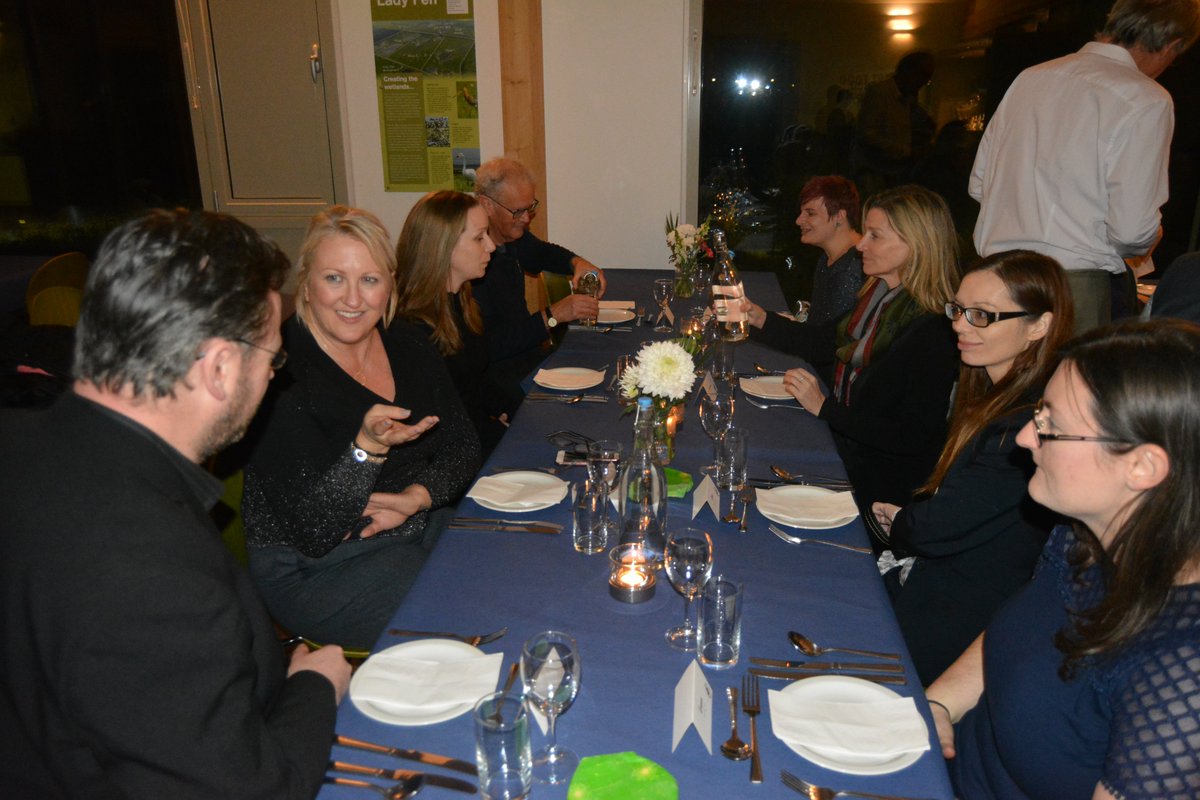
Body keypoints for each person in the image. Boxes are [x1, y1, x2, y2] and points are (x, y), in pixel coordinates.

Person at [0, 209, 350, 798]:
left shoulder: (18, 440)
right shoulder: (154, 576)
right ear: (219, 368)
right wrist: (313, 688)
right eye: (272, 361)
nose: (272, 381)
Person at [927, 319, 1200, 799]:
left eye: (1052, 426)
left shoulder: (1183, 670)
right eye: (1039, 413)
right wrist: (937, 704)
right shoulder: (1083, 537)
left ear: (1142, 467)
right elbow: (1026, 634)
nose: (1025, 439)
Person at [242, 206, 480, 650]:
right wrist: (366, 450)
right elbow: (313, 529)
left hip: (414, 527)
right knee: (462, 610)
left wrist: (416, 497)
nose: (353, 299)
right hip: (316, 568)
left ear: (390, 284)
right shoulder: (278, 369)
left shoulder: (409, 344)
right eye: (334, 278)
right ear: (306, 284)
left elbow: (464, 446)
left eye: (369, 280)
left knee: (517, 568)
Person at [870, 251, 1072, 685]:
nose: (960, 325)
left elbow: (939, 528)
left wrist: (903, 521)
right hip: (948, 584)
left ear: (1039, 325)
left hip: (965, 617)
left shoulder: (1026, 423)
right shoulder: (995, 394)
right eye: (958, 310)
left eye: (981, 315)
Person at [970, 0, 1200, 333]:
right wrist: (1148, 235)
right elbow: (1132, 230)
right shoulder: (1146, 98)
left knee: (999, 385)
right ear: (1172, 44)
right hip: (1069, 287)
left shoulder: (1030, 78)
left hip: (997, 275)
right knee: (1068, 383)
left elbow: (979, 184)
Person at [743, 184, 960, 508]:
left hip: (878, 486)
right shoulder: (876, 298)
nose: (861, 245)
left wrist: (825, 408)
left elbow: (910, 437)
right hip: (847, 448)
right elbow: (821, 343)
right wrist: (757, 318)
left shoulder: (934, 331)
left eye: (875, 235)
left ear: (915, 244)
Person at [471, 157, 607, 394]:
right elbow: (492, 347)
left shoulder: (512, 238)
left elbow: (543, 253)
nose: (525, 219)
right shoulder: (471, 267)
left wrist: (578, 263)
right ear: (487, 205)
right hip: (502, 381)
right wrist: (553, 316)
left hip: (532, 361)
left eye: (530, 207)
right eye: (517, 211)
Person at [394, 190, 515, 455]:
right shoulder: (411, 328)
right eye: (478, 238)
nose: (491, 246)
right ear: (442, 247)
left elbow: (474, 380)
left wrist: (520, 411)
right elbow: (439, 426)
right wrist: (506, 436)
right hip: (450, 458)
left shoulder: (462, 299)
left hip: (473, 439)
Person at [851, 52, 936, 196]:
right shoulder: (879, 93)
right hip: (875, 173)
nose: (923, 82)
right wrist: (906, 151)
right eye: (923, 76)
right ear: (908, 72)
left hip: (896, 172)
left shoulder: (909, 99)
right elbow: (867, 135)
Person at [792, 175, 864, 326]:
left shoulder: (851, 271)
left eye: (810, 213)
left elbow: (828, 342)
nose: (798, 220)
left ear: (839, 216)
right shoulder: (829, 258)